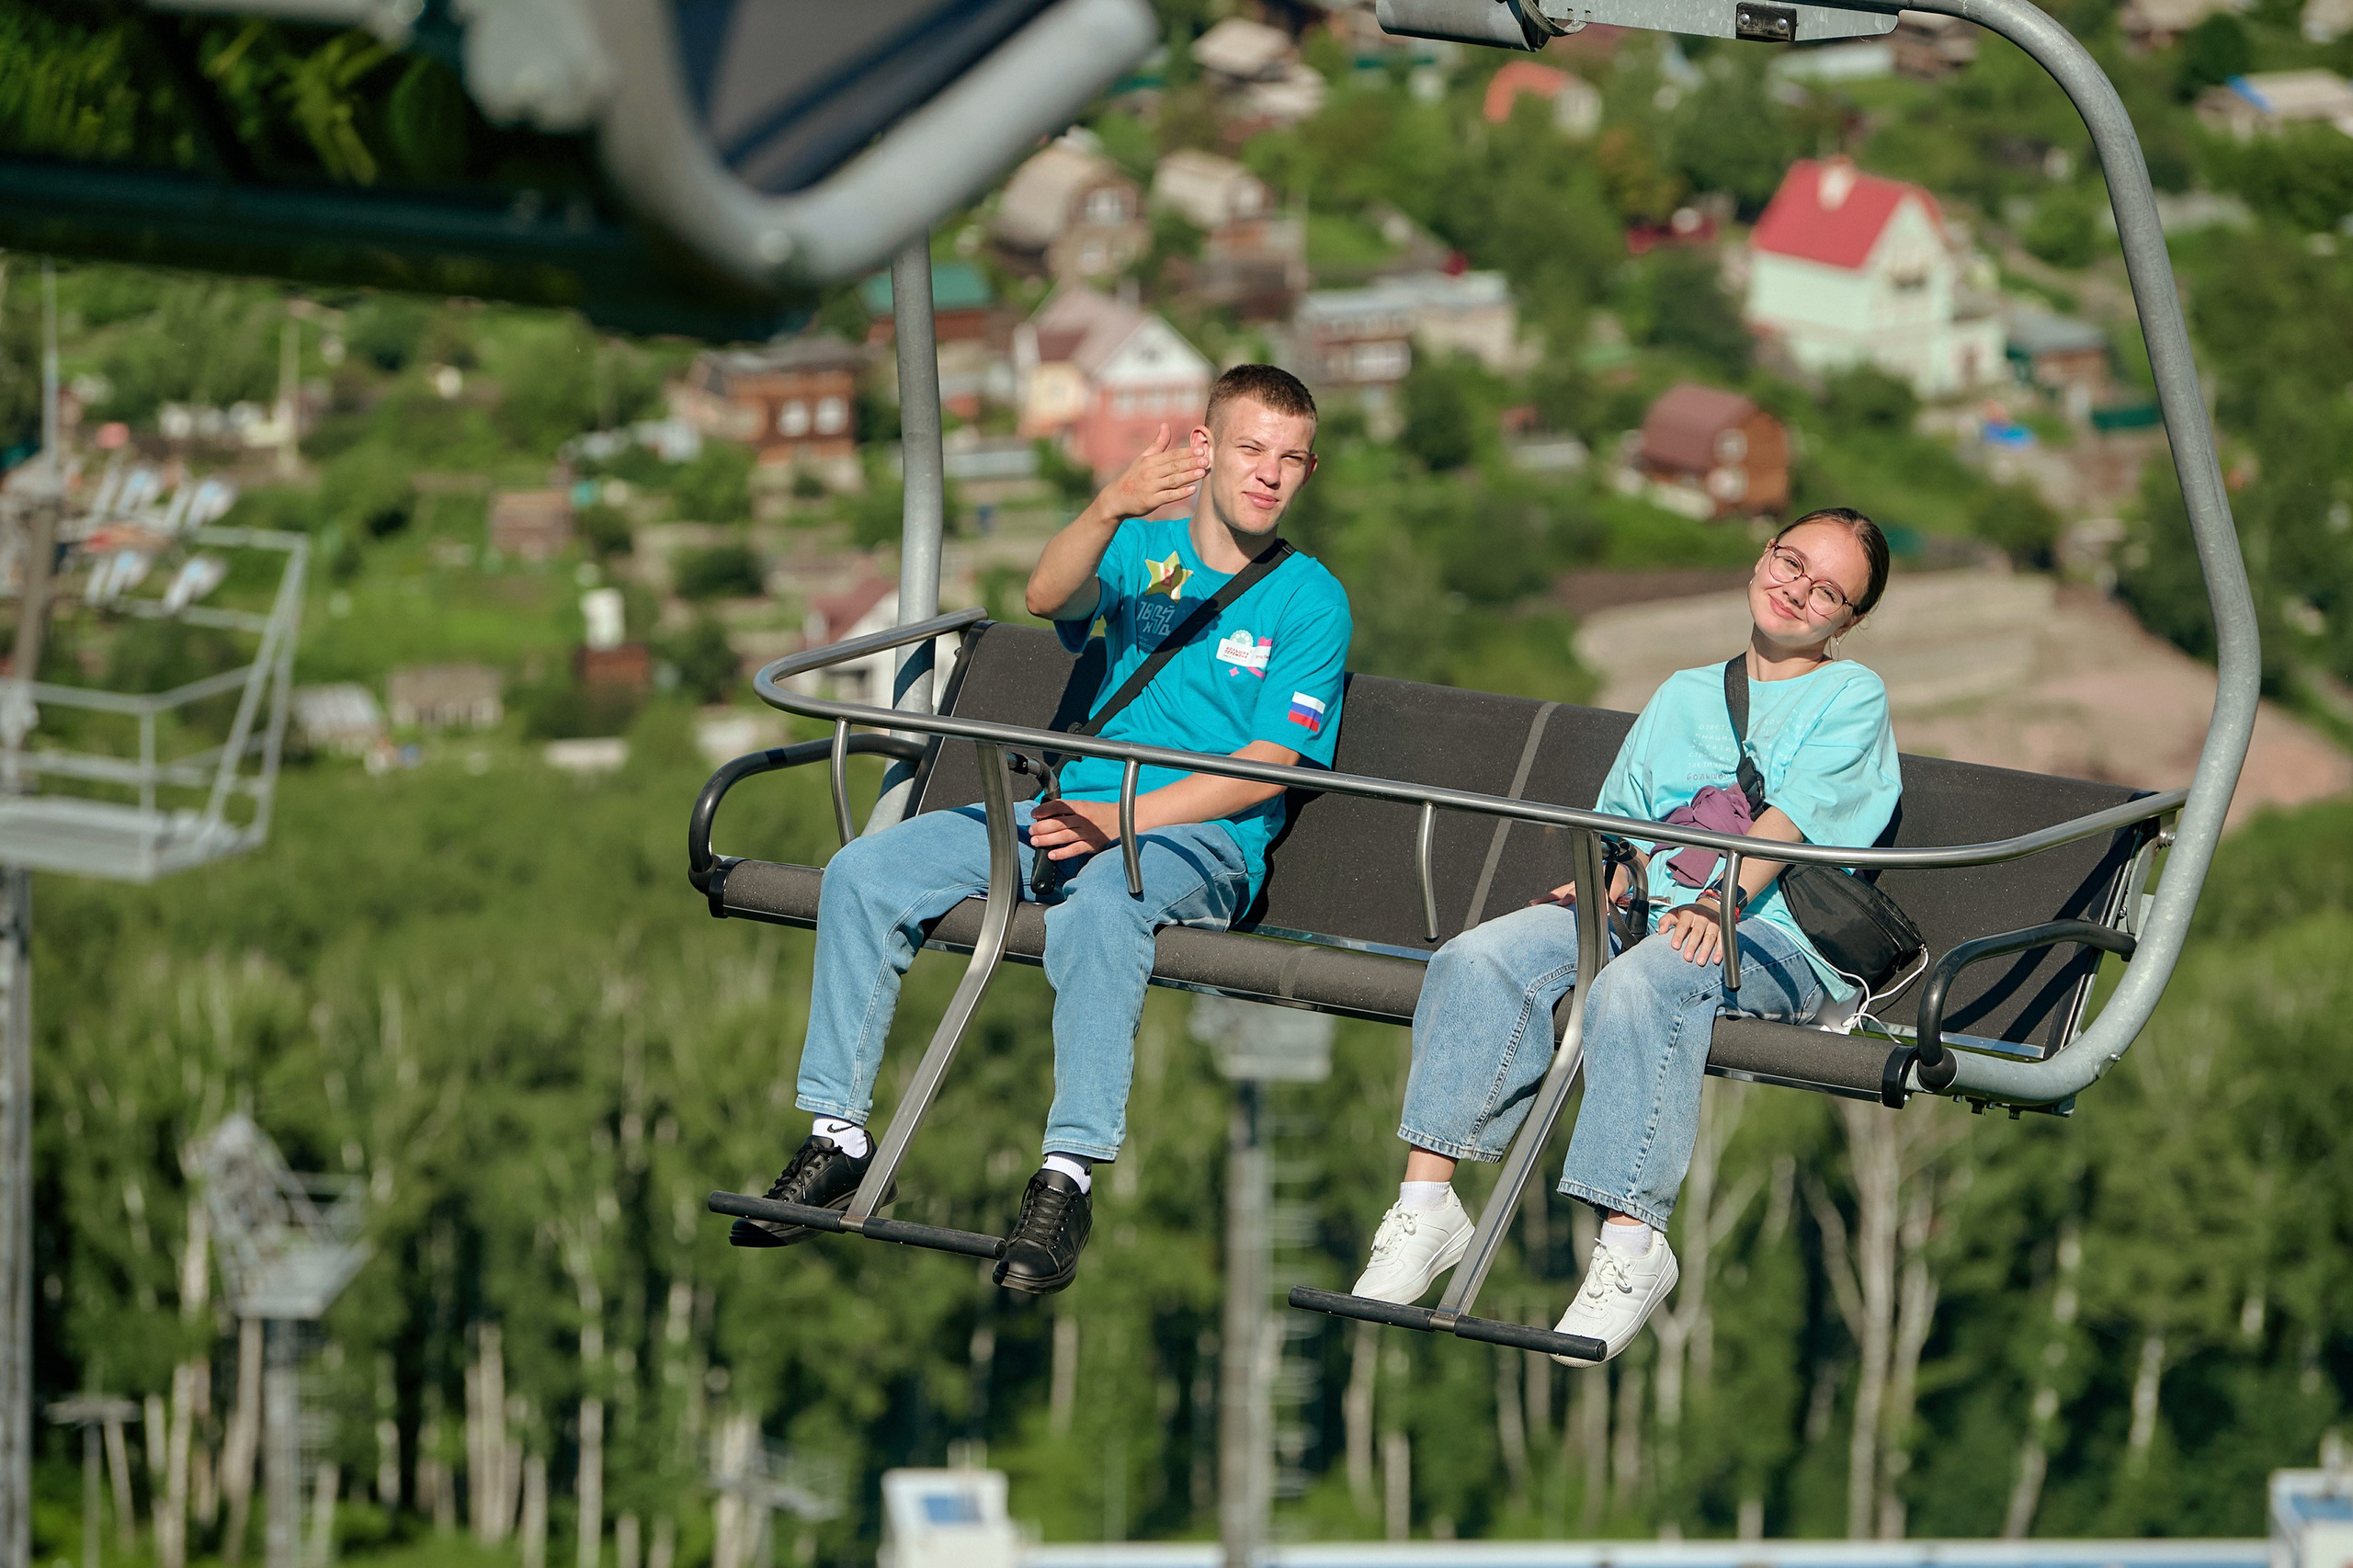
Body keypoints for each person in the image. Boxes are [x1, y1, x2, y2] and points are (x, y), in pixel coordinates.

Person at [735, 364, 1352, 1296]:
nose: (1267, 473)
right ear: (1206, 451)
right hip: (1065, 809)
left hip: (1193, 836)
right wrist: (1106, 506)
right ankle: (839, 1135)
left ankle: (1065, 1178)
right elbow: (1045, 593)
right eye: (1250, 449)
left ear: (1308, 473)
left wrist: (1123, 818)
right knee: (865, 871)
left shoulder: (1308, 601)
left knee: (1105, 907)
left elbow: (1265, 763)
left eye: (1290, 459)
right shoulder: (1143, 552)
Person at [1349, 508, 1899, 1363]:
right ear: (1763, 555)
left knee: (1641, 984)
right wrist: (1606, 874)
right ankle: (1426, 1210)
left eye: (1826, 589)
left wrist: (1719, 905)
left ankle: (1632, 1245)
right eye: (1790, 562)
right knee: (1478, 957)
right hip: (1646, 911)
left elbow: (1795, 823)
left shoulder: (1850, 696)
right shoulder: (1684, 693)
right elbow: (1623, 819)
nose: (1796, 589)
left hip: (1774, 935)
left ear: (1849, 622)